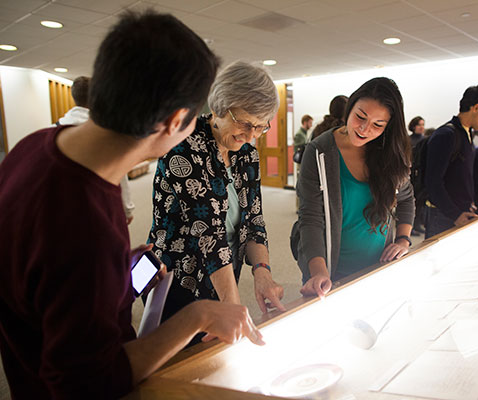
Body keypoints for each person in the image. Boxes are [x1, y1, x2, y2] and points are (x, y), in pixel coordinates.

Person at [0, 11, 264, 400]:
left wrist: (121, 269)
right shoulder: (84, 227)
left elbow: (44, 279)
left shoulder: (35, 145)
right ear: (176, 121)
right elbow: (87, 384)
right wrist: (198, 316)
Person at [147, 61, 286, 330]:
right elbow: (208, 233)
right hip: (180, 275)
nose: (251, 135)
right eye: (244, 123)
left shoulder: (246, 152)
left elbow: (254, 218)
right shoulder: (183, 148)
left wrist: (262, 271)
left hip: (225, 270)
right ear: (220, 106)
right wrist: (233, 307)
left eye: (260, 127)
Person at [294, 77, 415, 298]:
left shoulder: (390, 154)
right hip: (332, 273)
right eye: (360, 116)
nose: (364, 129)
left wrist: (403, 240)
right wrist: (319, 274)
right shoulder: (319, 152)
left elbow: (406, 198)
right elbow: (310, 217)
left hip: (379, 269)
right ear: (350, 108)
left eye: (378, 125)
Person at [424, 83, 478, 239]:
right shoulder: (446, 135)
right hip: (443, 215)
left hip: (459, 213)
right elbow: (433, 181)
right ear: (476, 107)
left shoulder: (466, 134)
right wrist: (455, 215)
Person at [58, 75, 136, 224]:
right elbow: (120, 175)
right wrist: (127, 209)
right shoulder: (106, 134)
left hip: (64, 208)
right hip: (100, 208)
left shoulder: (54, 129)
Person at [408, 116, 426, 236]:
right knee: (411, 200)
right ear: (413, 126)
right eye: (419, 125)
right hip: (410, 174)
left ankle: (418, 223)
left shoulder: (425, 140)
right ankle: (410, 226)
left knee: (420, 201)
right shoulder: (408, 140)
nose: (421, 127)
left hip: (421, 174)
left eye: (423, 125)